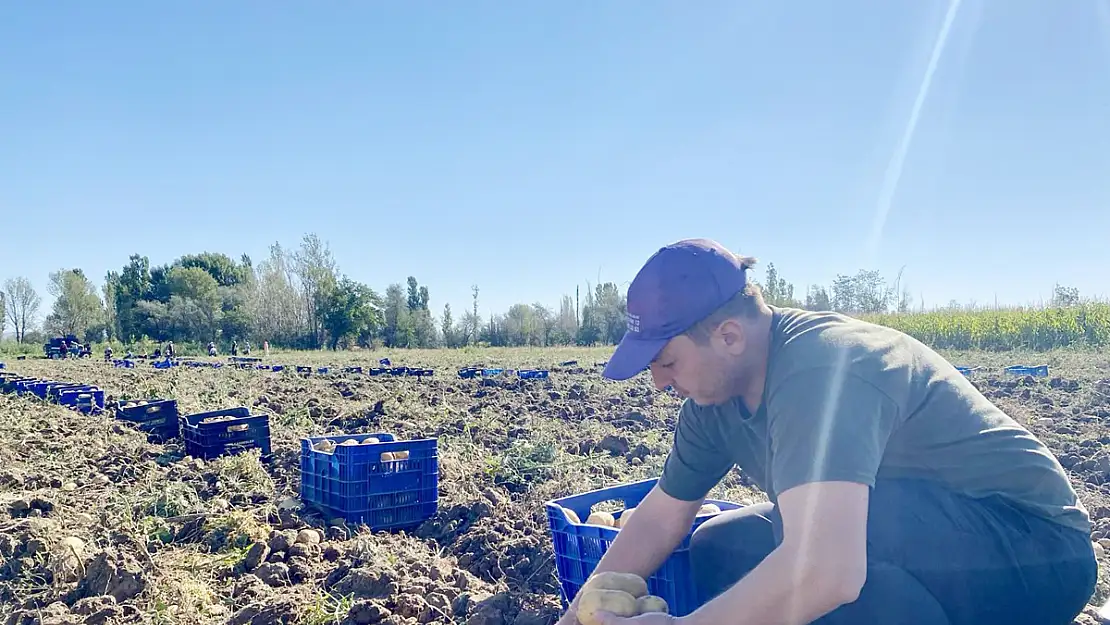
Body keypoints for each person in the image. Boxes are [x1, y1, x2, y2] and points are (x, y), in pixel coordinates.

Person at [558, 238, 1095, 625]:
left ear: (727, 336)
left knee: (826, 542)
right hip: (921, 537)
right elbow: (661, 515)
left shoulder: (825, 368)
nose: (658, 382)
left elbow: (828, 570)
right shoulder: (712, 396)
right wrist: (576, 614)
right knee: (720, 543)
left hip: (1035, 552)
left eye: (665, 361)